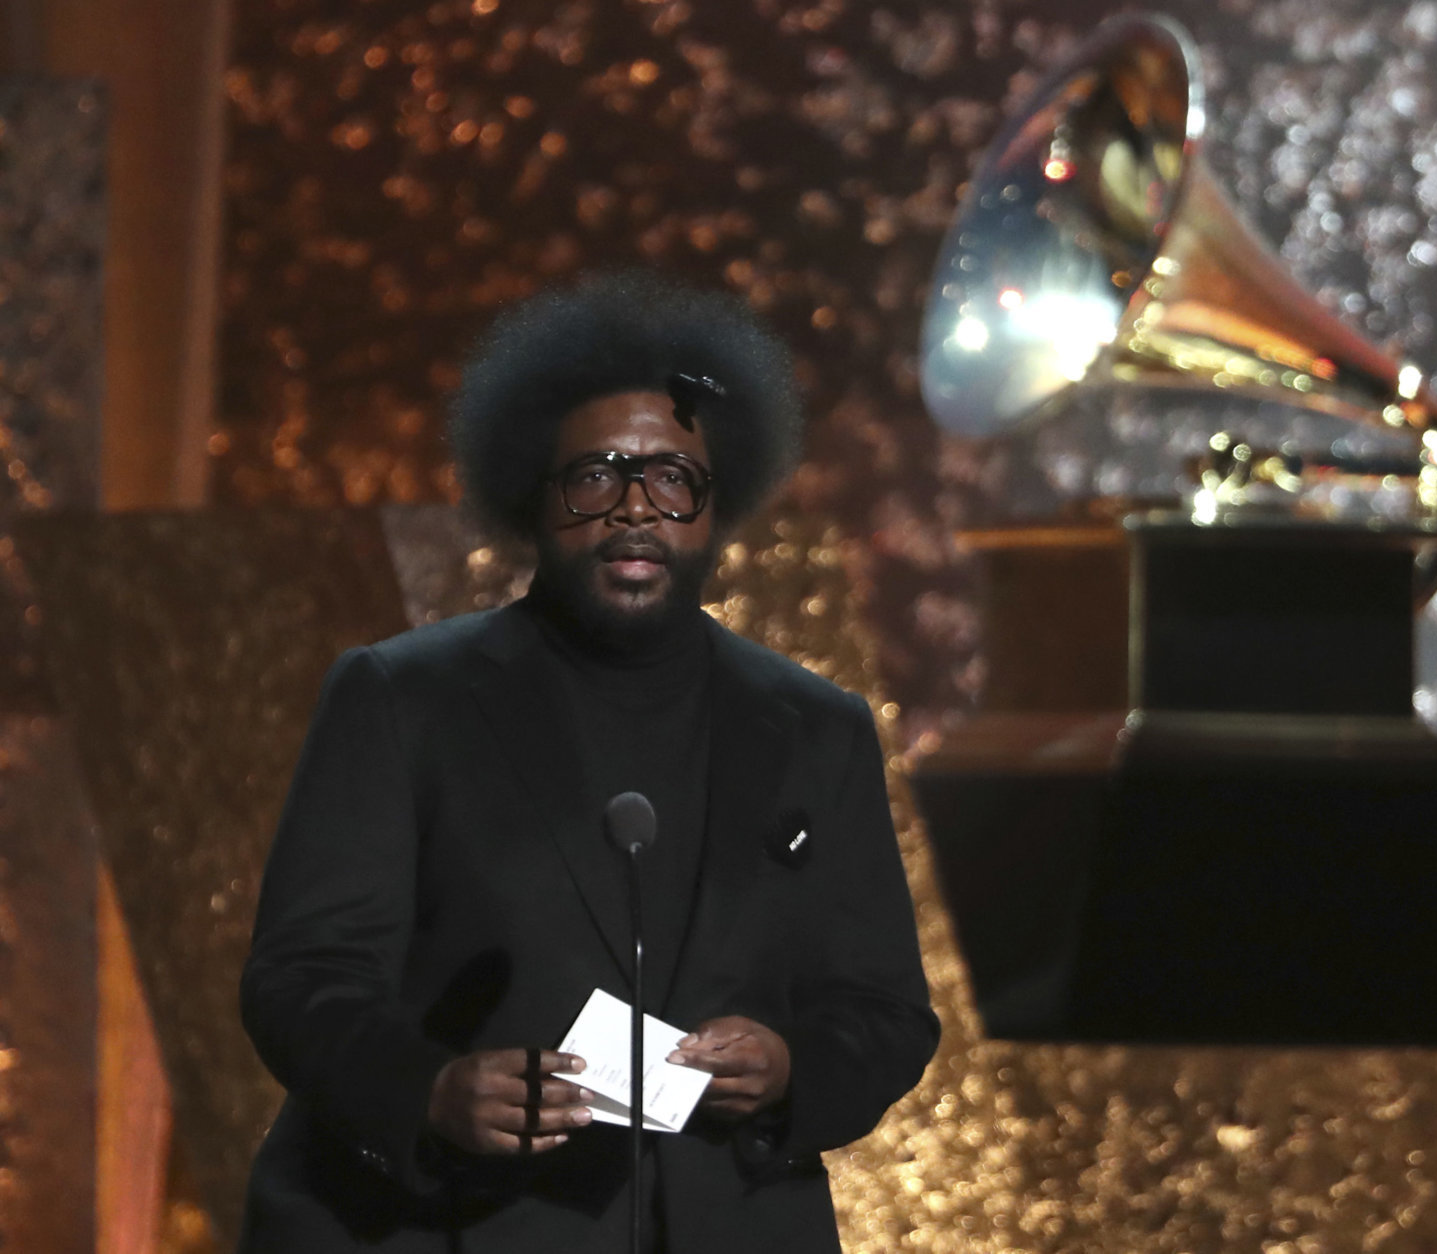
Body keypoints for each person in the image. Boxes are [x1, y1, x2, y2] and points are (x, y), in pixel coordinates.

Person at [237, 270, 940, 1253]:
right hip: (458, 1225)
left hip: (722, 1223)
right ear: (535, 494)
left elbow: (885, 1013)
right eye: (596, 476)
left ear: (715, 501)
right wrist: (431, 1090)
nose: (634, 510)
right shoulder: (402, 699)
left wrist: (786, 1066)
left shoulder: (816, 728)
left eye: (670, 480)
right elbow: (301, 978)